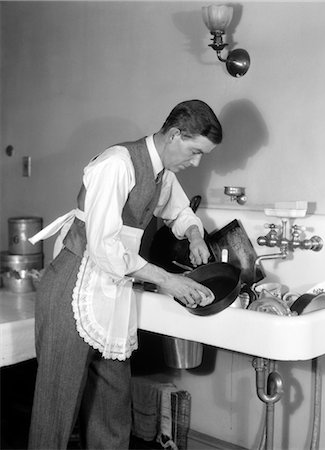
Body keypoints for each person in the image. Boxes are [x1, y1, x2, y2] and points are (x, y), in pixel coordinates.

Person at [28, 99, 223, 449]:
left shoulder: (163, 172)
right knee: (56, 412)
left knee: (113, 410)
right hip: (74, 283)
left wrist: (194, 234)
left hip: (113, 290)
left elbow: (178, 211)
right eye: (194, 152)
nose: (195, 162)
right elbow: (103, 247)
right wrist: (168, 279)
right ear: (175, 134)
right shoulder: (117, 164)